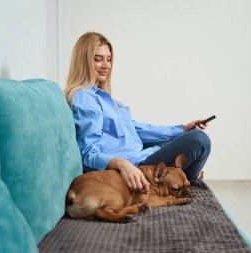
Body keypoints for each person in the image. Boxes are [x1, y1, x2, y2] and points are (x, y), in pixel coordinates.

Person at [64, 32, 211, 193]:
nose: (106, 65)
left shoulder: (105, 98)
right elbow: (87, 152)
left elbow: (136, 129)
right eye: (98, 59)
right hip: (134, 166)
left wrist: (182, 129)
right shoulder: (85, 97)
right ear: (83, 62)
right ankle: (184, 182)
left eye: (109, 59)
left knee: (189, 136)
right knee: (199, 140)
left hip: (140, 154)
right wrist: (121, 164)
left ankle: (182, 181)